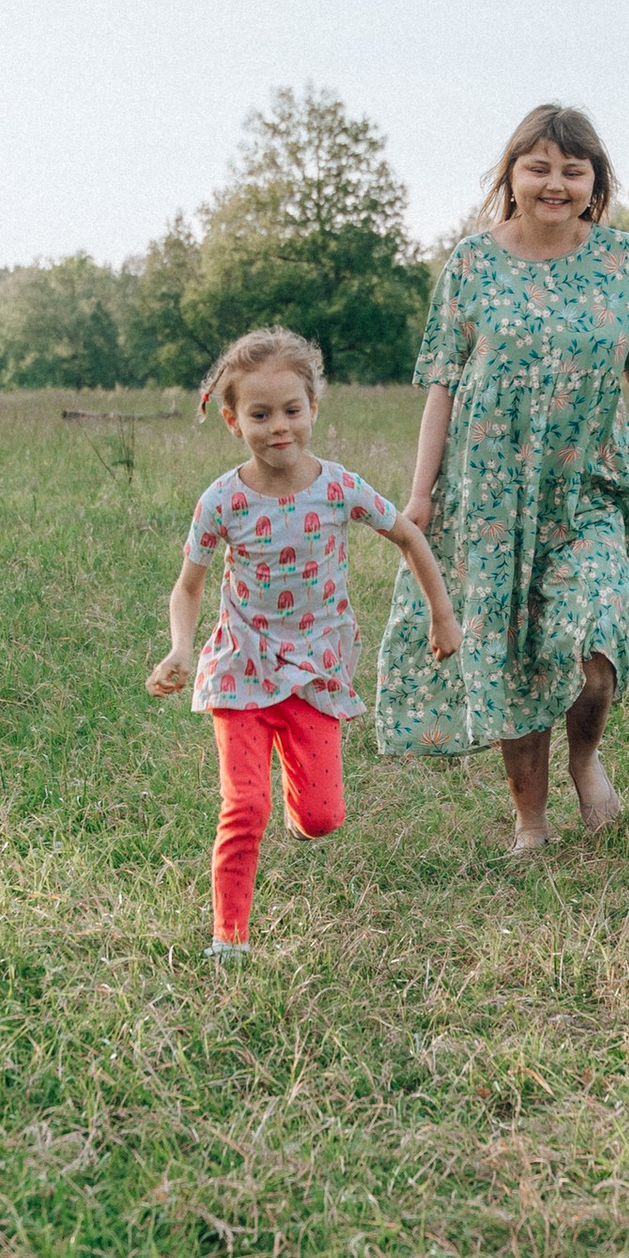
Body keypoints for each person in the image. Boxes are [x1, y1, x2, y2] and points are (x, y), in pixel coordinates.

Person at [372, 102, 629, 849]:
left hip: (588, 492)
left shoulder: (621, 260)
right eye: (538, 167)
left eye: (574, 170)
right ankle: (530, 824)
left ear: (594, 180)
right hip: (489, 498)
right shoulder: (472, 264)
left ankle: (586, 760)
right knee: (510, 657)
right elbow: (442, 382)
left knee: (593, 646)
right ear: (511, 174)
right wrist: (420, 495)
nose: (555, 183)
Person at [149, 325, 460, 958]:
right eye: (260, 415)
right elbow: (187, 587)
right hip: (241, 668)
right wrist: (182, 648)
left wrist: (443, 615)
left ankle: (302, 805)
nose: (278, 427)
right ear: (234, 421)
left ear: (313, 409)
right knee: (244, 806)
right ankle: (227, 939)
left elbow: (408, 536)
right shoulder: (222, 501)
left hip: (315, 673)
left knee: (321, 819)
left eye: (292, 410)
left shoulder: (338, 487)